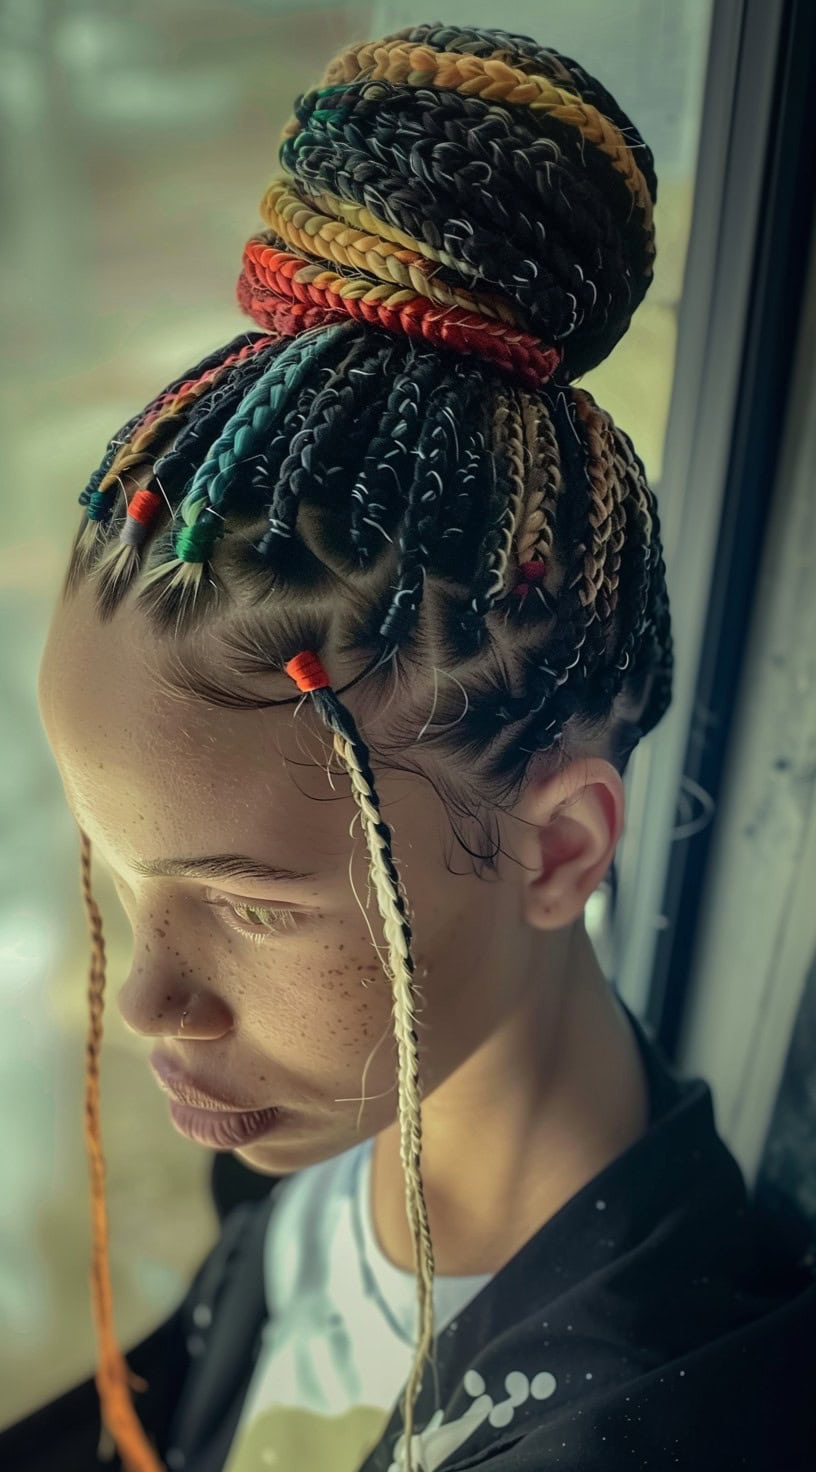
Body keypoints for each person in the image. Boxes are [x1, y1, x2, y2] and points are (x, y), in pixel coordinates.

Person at [4, 20, 815, 1472]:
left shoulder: (659, 1430)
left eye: (254, 905)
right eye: (120, 876)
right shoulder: (343, 1144)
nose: (149, 1001)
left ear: (560, 846)